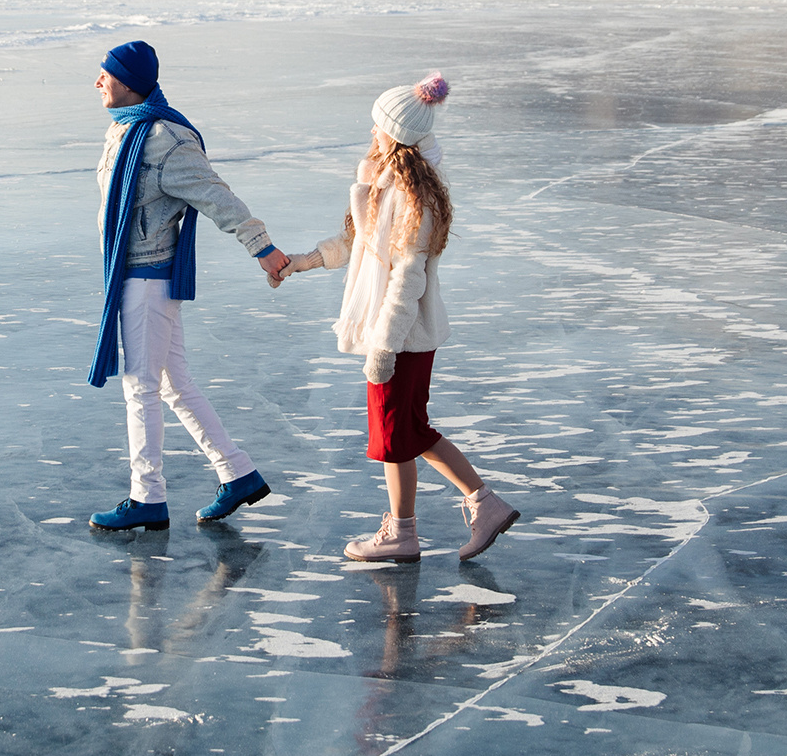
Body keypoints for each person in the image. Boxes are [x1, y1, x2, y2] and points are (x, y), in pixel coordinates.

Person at [277, 73, 518, 562]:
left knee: (399, 433)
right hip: (395, 333)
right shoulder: (384, 184)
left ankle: (437, 520)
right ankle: (448, 516)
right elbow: (356, 242)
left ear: (398, 136)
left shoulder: (416, 199)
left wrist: (383, 346)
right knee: (404, 431)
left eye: (377, 128)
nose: (371, 134)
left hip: (401, 334)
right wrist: (303, 261)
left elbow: (409, 277)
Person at [87, 39, 288, 531]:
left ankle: (147, 498)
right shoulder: (123, 130)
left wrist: (264, 249)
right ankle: (237, 473)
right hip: (131, 274)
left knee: (141, 388)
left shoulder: (166, 140)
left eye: (105, 75)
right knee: (174, 385)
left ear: (129, 82)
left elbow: (218, 197)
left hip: (147, 280)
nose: (97, 83)